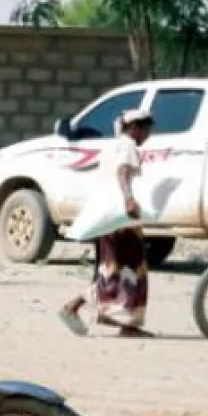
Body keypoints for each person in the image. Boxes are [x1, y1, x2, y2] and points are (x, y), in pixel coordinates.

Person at [60, 109, 155, 338]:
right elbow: (122, 173)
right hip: (121, 219)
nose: (147, 136)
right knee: (132, 271)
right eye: (145, 130)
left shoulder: (112, 146)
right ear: (135, 128)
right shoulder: (127, 145)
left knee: (111, 271)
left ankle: (76, 307)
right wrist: (129, 199)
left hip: (109, 220)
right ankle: (126, 324)